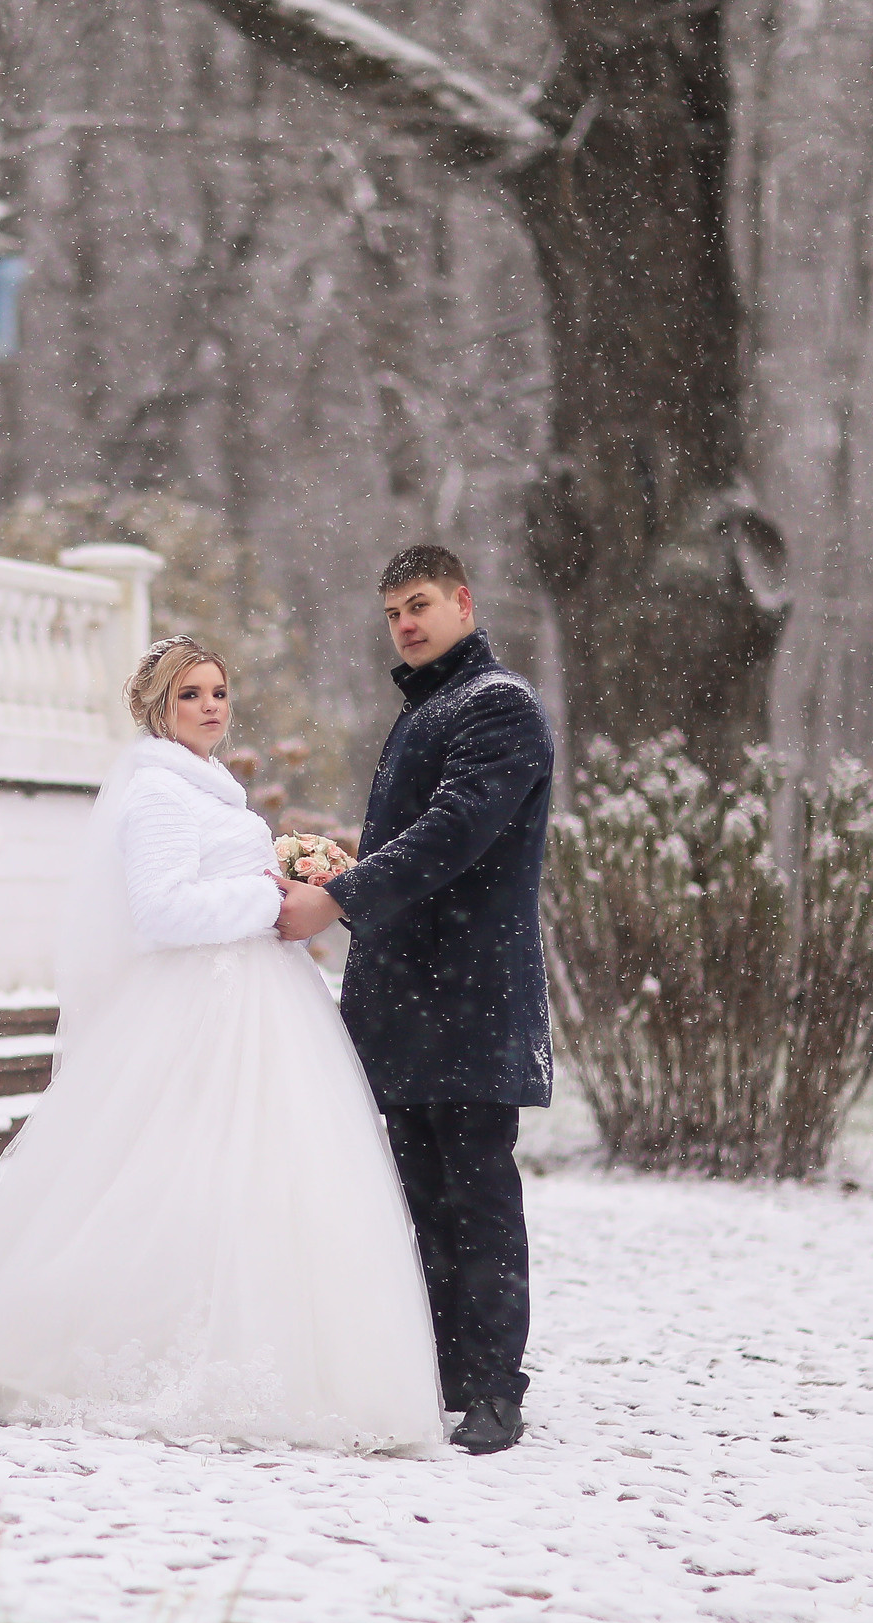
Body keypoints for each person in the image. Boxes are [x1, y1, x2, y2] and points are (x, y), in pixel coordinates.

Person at [0, 637, 447, 1453]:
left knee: (262, 1180)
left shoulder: (214, 792)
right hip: (196, 1011)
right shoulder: (155, 793)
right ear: (158, 706)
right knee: (173, 1176)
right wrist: (264, 899)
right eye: (191, 694)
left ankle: (281, 1348)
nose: (212, 705)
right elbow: (160, 913)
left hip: (259, 1002)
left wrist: (290, 888)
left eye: (219, 691)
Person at [275, 545, 555, 1456]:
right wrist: (348, 871)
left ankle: (496, 1390)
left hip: (471, 994)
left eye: (421, 603)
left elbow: (457, 830)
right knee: (420, 1194)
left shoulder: (498, 707)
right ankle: (442, 1369)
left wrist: (341, 894)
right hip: (405, 997)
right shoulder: (428, 708)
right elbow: (420, 843)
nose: (406, 622)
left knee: (477, 1193)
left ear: (465, 603)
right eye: (393, 609)